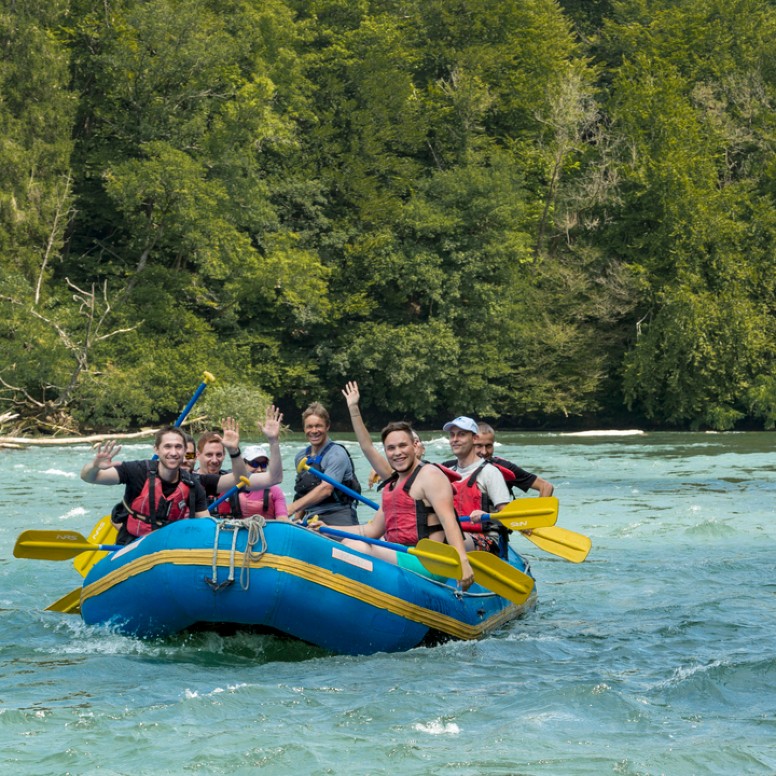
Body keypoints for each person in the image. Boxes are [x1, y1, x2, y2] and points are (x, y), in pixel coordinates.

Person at [314, 421, 474, 589]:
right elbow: (370, 531)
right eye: (391, 448)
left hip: (430, 562)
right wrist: (327, 529)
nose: (397, 452)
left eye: (402, 446)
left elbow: (449, 521)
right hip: (401, 553)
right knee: (346, 542)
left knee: (356, 547)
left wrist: (462, 561)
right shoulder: (392, 486)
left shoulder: (430, 475)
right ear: (386, 451)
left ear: (414, 446)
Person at [81, 425, 210, 545]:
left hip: (169, 545)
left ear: (185, 451)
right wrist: (94, 466)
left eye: (178, 447)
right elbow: (90, 478)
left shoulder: (192, 485)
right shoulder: (137, 471)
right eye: (167, 446)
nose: (173, 452)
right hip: (132, 542)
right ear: (156, 449)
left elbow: (206, 524)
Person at [196, 407, 284, 516]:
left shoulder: (234, 478)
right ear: (198, 455)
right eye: (209, 455)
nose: (214, 460)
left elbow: (275, 478)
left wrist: (273, 441)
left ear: (224, 455)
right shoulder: (190, 481)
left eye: (219, 455)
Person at [442, 415, 511, 554]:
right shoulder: (447, 473)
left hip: (487, 541)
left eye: (461, 435)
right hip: (456, 535)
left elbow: (509, 517)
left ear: (474, 439)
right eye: (452, 435)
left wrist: (486, 515)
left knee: (448, 539)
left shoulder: (490, 472)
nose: (455, 439)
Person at [288, 401, 361, 526]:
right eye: (309, 426)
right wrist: (295, 521)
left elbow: (326, 489)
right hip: (311, 518)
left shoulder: (337, 454)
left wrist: (291, 507)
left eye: (318, 426)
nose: (314, 430)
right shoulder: (300, 457)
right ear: (304, 429)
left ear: (327, 426)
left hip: (339, 516)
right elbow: (303, 494)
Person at [474, 422, 554, 497]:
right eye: (478, 446)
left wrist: (539, 511)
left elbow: (546, 487)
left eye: (488, 446)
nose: (484, 452)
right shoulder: (461, 469)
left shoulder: (504, 467)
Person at [238, 443, 289, 520]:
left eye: (263, 464)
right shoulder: (232, 488)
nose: (259, 470)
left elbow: (282, 519)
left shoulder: (275, 491)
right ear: (243, 464)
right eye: (254, 464)